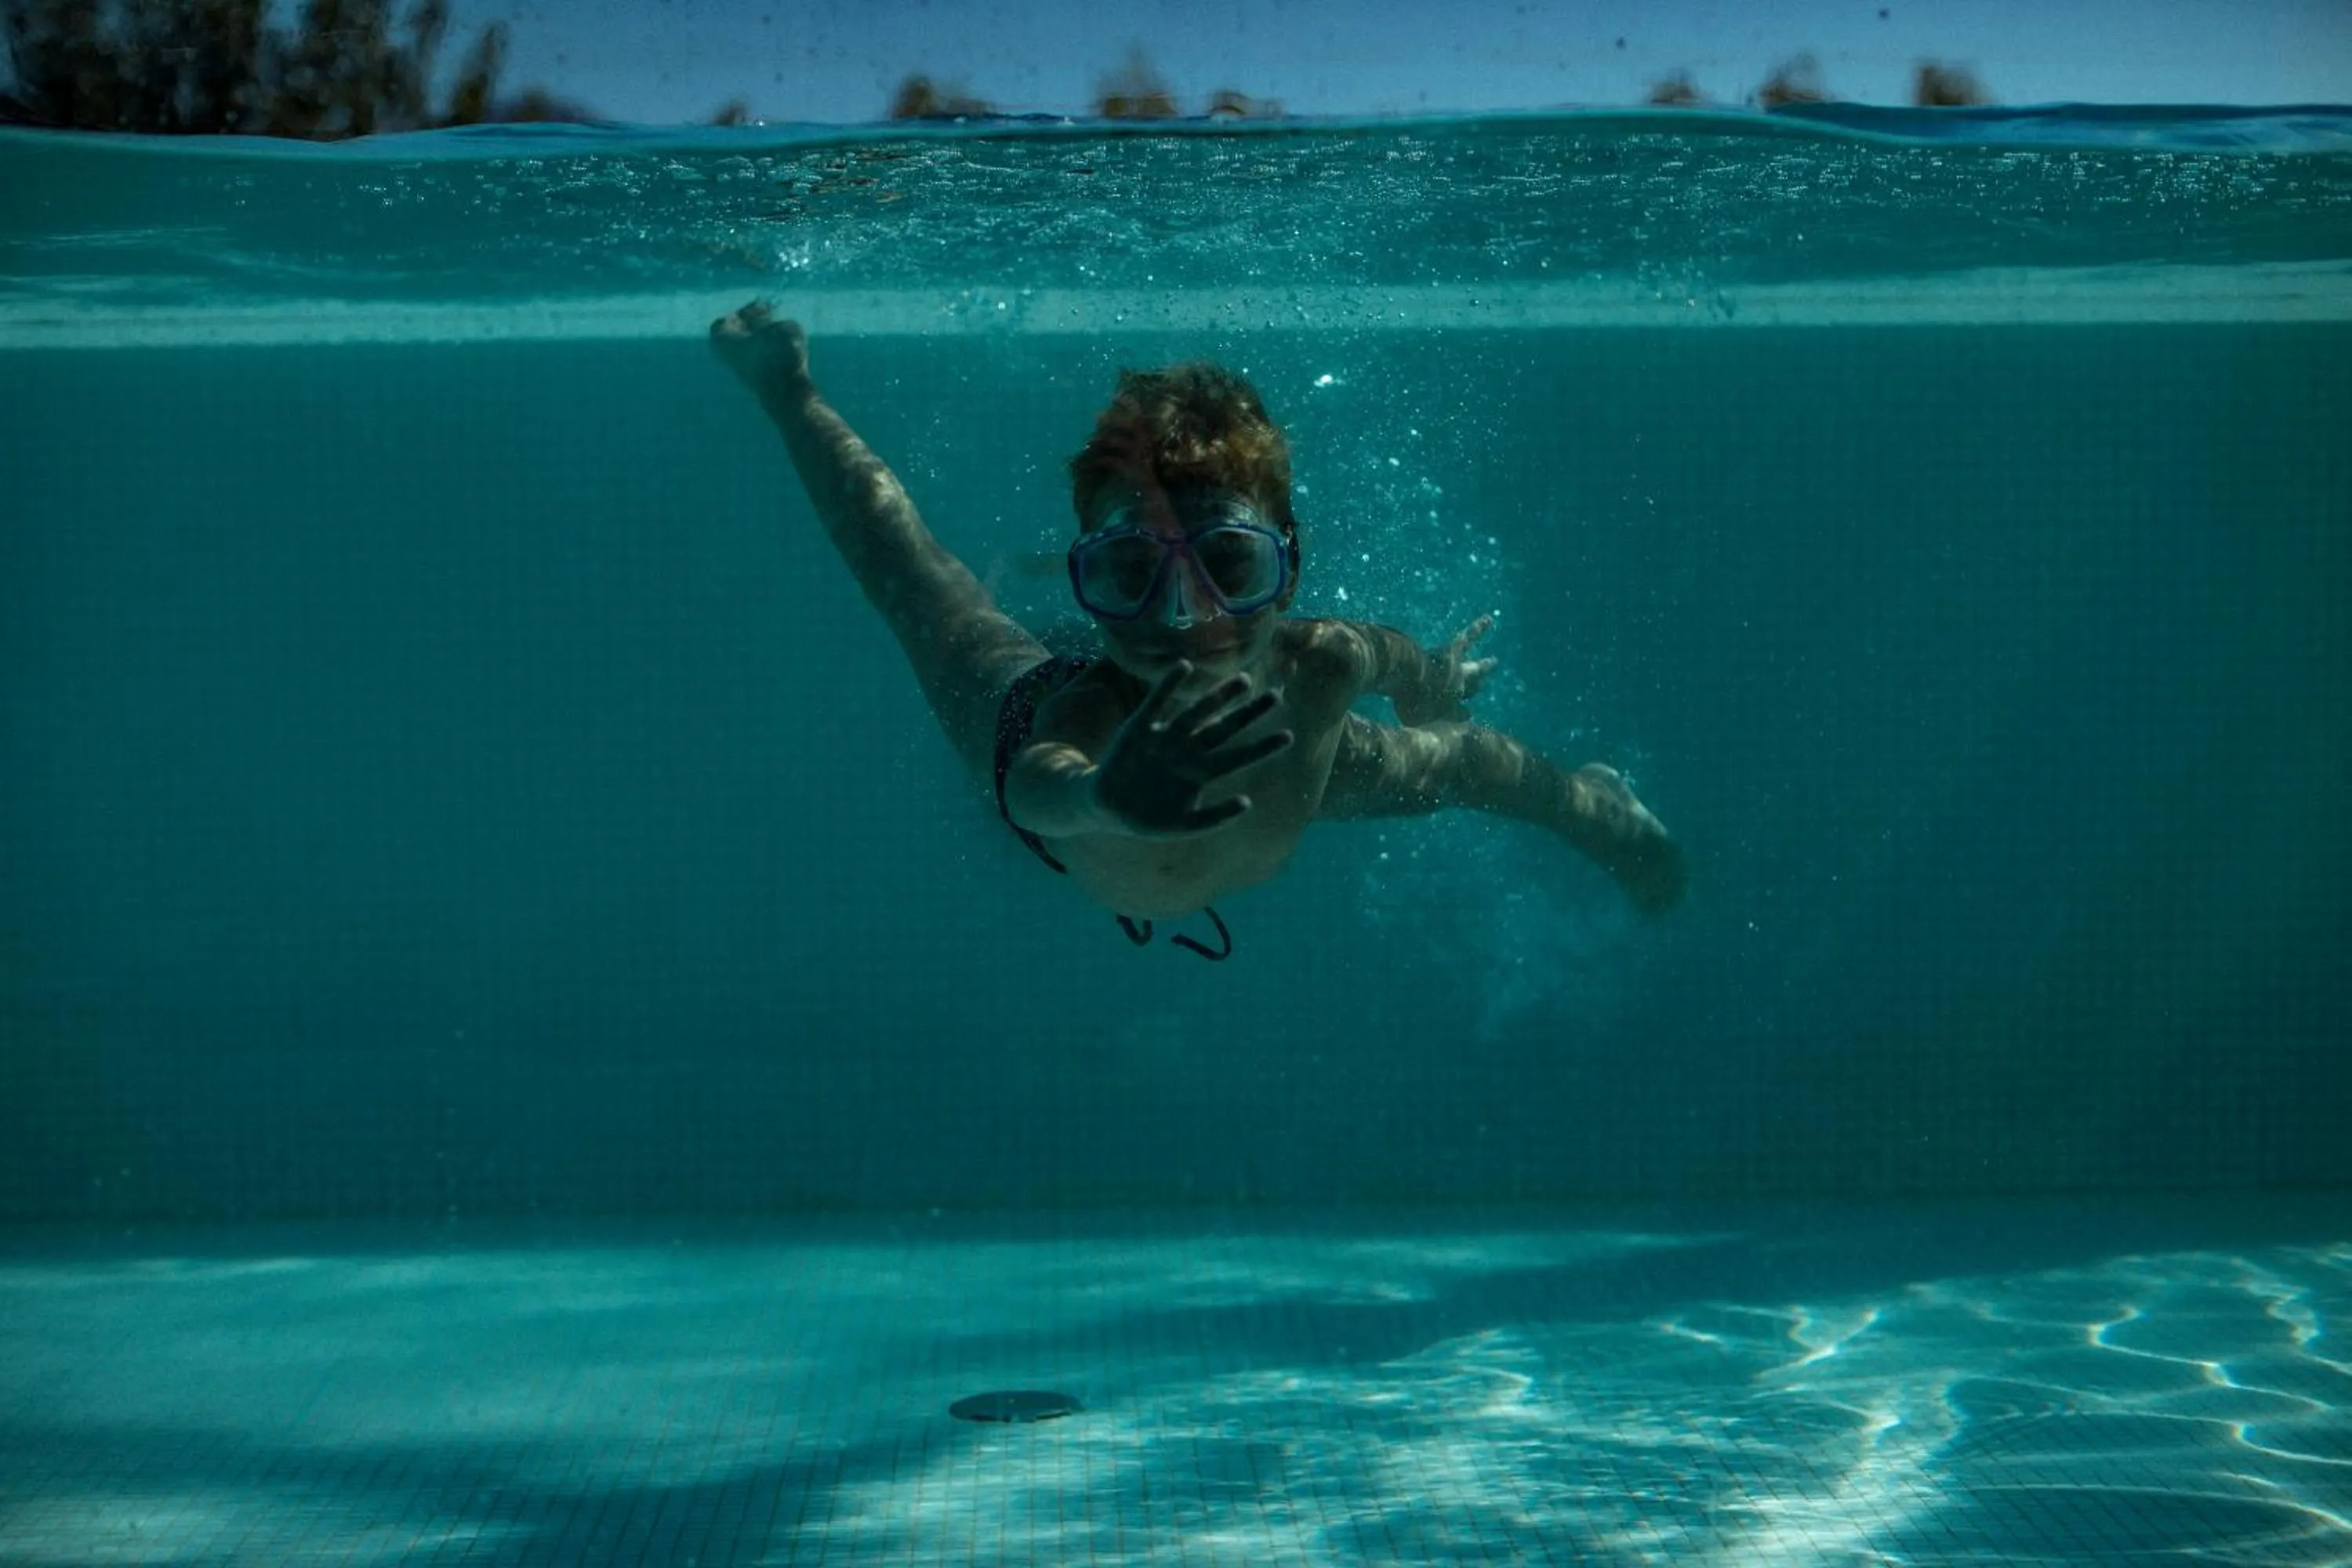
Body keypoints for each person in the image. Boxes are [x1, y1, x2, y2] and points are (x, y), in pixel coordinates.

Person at [710, 302, 1685, 958]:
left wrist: (1429, 680)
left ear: (1288, 564)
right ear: (1092, 581)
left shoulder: (1320, 665)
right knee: (921, 591)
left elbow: (1384, 654)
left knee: (1463, 767)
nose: (1184, 616)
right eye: (1132, 573)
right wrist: (1102, 794)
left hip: (1288, 775)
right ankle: (787, 391)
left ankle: (1598, 804)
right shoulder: (1089, 711)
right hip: (1066, 777)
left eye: (1229, 565)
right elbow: (1038, 780)